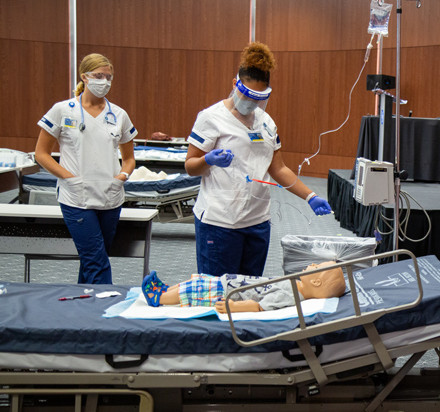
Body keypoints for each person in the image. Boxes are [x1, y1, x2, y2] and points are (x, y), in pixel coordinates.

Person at [185, 42, 332, 277]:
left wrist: (310, 196)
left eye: (258, 98)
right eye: (247, 95)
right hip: (220, 222)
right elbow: (190, 166)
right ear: (235, 84)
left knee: (249, 293)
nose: (251, 103)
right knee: (217, 294)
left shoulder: (266, 122)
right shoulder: (211, 118)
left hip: (257, 222)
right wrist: (208, 160)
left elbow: (279, 168)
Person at [34, 53, 137, 284]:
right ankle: (104, 309)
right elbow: (41, 154)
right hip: (75, 196)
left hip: (110, 196)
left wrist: (122, 176)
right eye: (99, 75)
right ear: (85, 77)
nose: (105, 81)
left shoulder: (119, 115)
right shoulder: (62, 110)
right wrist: (69, 178)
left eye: (108, 77)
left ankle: (82, 307)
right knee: (96, 261)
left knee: (92, 259)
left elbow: (129, 159)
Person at [141, 261, 346, 314]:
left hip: (227, 292)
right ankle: (164, 290)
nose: (312, 265)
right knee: (197, 281)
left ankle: (158, 298)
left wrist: (233, 306)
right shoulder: (295, 285)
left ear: (317, 282)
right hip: (230, 282)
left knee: (192, 290)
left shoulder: (290, 295)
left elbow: (259, 306)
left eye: (316, 267)